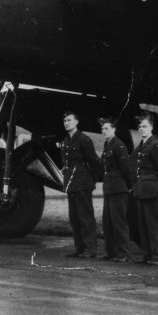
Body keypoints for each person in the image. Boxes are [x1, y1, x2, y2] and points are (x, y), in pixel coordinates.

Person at [60, 111, 100, 258]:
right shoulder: (66, 140)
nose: (66, 123)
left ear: (76, 122)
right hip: (71, 183)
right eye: (65, 121)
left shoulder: (84, 139)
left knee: (85, 217)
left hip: (83, 183)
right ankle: (80, 248)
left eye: (69, 120)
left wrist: (91, 179)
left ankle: (90, 249)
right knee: (74, 217)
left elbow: (94, 161)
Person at [132, 114, 158, 265]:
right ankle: (148, 255)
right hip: (143, 189)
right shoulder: (143, 145)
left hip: (152, 189)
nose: (142, 129)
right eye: (140, 127)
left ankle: (157, 256)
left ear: (152, 128)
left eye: (145, 126)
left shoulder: (155, 145)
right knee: (144, 224)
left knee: (154, 224)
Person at [98, 117, 133, 262]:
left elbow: (126, 168)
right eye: (102, 129)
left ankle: (123, 253)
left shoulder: (118, 145)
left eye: (106, 128)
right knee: (108, 221)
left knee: (119, 221)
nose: (104, 131)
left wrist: (129, 186)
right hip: (109, 188)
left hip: (118, 188)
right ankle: (111, 252)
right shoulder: (108, 145)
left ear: (114, 130)